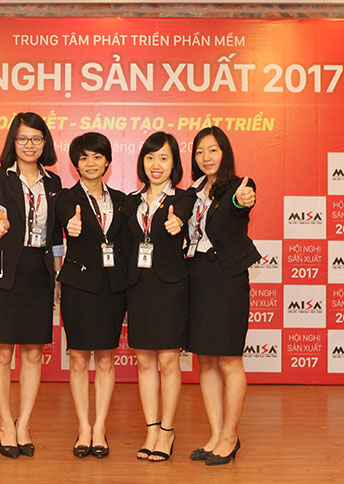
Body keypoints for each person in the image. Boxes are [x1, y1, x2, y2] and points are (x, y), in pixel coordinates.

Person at [0, 112, 63, 459]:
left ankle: (24, 423)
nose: (30, 145)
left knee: (33, 353)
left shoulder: (54, 182)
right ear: (13, 142)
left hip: (38, 273)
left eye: (36, 138)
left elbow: (56, 236)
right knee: (1, 353)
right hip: (4, 272)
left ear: (45, 143)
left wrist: (56, 278)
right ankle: (5, 423)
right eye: (23, 138)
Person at [118, 131, 195, 462]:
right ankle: (151, 429)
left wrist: (180, 225)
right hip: (139, 287)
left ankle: (167, 430)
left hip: (170, 287)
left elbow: (188, 222)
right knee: (145, 360)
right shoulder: (130, 202)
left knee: (168, 360)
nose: (156, 164)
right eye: (150, 157)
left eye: (164, 158)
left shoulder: (185, 199)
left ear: (174, 163)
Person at [184, 126, 258, 466]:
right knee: (206, 360)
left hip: (227, 279)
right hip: (197, 277)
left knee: (229, 359)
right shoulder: (192, 192)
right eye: (200, 151)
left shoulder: (239, 186)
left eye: (212, 150)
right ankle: (215, 435)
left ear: (224, 153)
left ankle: (231, 435)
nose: (206, 157)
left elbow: (240, 203)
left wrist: (243, 200)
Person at [54, 132, 128, 459]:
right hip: (79, 287)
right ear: (76, 164)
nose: (91, 163)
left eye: (97, 156)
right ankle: (83, 427)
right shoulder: (66, 198)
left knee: (107, 358)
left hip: (112, 287)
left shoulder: (122, 200)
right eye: (83, 158)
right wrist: (70, 226)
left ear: (107, 161)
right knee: (79, 358)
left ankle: (100, 427)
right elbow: (64, 222)